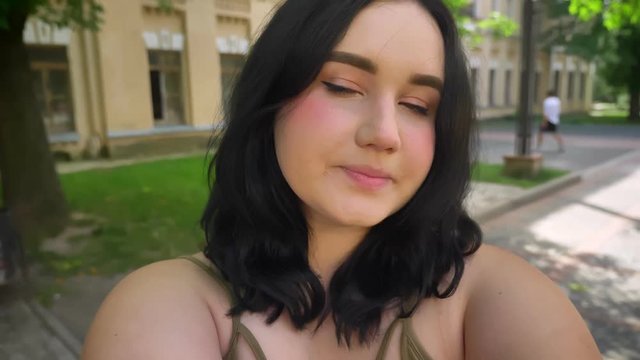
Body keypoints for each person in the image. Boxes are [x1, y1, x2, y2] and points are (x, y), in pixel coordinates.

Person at [82, 1, 600, 359]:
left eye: (417, 105)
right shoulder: (165, 305)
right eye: (341, 86)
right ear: (271, 100)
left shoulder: (489, 296)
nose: (385, 133)